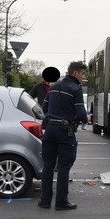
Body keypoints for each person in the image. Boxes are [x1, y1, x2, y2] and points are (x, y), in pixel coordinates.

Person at [38, 61, 89, 210]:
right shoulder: (75, 88)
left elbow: (44, 109)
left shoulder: (53, 87)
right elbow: (81, 113)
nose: (83, 76)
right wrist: (85, 118)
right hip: (64, 132)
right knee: (64, 167)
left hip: (50, 131)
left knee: (48, 166)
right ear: (75, 73)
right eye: (82, 73)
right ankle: (61, 202)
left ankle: (45, 201)